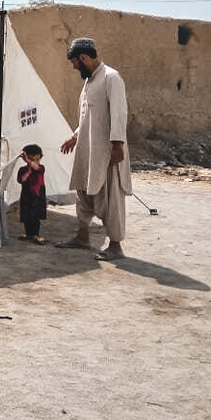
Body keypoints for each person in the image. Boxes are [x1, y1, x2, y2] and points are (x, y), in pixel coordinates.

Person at [56, 37, 132, 260]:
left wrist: (117, 146)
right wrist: (75, 136)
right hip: (87, 150)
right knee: (83, 192)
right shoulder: (90, 80)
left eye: (74, 62)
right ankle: (82, 237)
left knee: (110, 198)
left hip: (107, 152)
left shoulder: (111, 78)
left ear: (83, 57)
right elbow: (89, 116)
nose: (73, 67)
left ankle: (115, 246)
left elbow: (119, 114)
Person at [16, 143, 47, 244]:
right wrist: (28, 168)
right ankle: (28, 233)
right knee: (26, 215)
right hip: (26, 196)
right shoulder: (23, 170)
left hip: (37, 197)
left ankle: (35, 234)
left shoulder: (41, 168)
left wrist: (30, 162)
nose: (35, 162)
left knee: (35, 216)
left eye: (37, 160)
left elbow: (36, 168)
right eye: (33, 159)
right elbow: (22, 180)